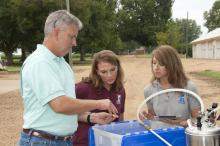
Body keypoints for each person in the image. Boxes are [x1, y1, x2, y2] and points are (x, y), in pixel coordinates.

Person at [18, 10, 118, 146]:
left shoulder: (61, 64)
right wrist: (99, 103)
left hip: (60, 141)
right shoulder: (40, 62)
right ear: (56, 32)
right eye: (72, 36)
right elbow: (60, 104)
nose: (74, 43)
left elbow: (63, 110)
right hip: (42, 142)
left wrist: (91, 117)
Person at [73, 50, 126, 146]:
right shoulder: (82, 88)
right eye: (103, 72)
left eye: (113, 69)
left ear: (118, 67)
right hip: (84, 142)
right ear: (96, 71)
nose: (109, 75)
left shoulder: (120, 90)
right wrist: (91, 117)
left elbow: (121, 119)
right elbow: (65, 112)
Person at [143, 45, 201, 127]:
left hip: (183, 136)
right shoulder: (148, 90)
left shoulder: (189, 87)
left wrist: (186, 123)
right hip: (160, 136)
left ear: (172, 64)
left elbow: (198, 118)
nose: (156, 67)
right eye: (154, 63)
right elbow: (152, 116)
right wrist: (145, 116)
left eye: (161, 64)